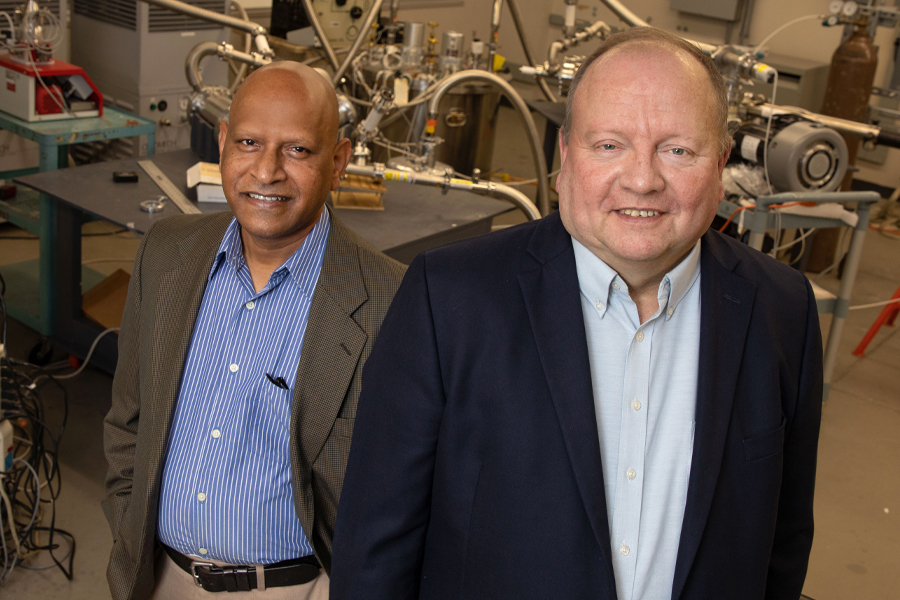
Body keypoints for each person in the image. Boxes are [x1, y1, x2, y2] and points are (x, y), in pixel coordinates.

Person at [330, 27, 823, 600]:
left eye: (677, 150)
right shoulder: (450, 300)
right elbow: (375, 549)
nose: (642, 180)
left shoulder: (781, 310)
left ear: (721, 161)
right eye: (609, 145)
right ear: (565, 157)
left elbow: (783, 545)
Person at [102, 62, 405, 600]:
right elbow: (128, 417)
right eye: (248, 142)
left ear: (338, 161)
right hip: (160, 577)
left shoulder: (391, 300)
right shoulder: (168, 251)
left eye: (297, 150)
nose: (266, 171)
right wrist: (130, 528)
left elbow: (404, 494)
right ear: (221, 143)